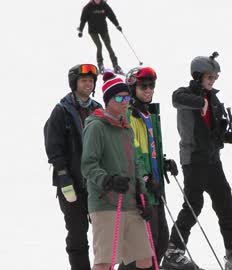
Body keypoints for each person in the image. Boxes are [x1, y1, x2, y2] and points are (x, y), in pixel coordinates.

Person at [162, 52, 232, 270]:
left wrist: (228, 137)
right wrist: (199, 101)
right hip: (193, 159)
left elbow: (215, 131)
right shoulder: (186, 94)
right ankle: (173, 249)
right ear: (197, 76)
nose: (212, 81)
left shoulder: (214, 99)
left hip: (213, 159)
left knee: (225, 203)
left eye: (214, 78)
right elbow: (176, 99)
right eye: (209, 77)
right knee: (194, 204)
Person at [81, 72, 154, 270]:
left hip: (130, 201)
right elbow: (88, 165)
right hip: (106, 202)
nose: (125, 102)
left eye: (127, 97)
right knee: (105, 262)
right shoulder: (96, 127)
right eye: (120, 98)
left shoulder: (126, 127)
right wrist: (108, 181)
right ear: (108, 101)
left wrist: (142, 196)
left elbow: (136, 165)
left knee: (145, 258)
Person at [117, 67, 179, 270]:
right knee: (143, 246)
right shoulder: (128, 116)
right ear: (132, 87)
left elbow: (149, 149)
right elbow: (131, 153)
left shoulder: (149, 114)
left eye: (152, 85)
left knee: (161, 240)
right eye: (143, 86)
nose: (149, 90)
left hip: (156, 188)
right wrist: (144, 177)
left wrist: (163, 162)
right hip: (140, 191)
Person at [45, 64, 101, 270]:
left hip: (96, 183)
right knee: (78, 234)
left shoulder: (98, 109)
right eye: (84, 80)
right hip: (72, 184)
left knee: (104, 233)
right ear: (74, 83)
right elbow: (54, 148)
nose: (89, 83)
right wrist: (64, 178)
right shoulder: (62, 111)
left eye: (91, 80)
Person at [77, 0, 124, 74]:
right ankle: (100, 64)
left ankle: (115, 65)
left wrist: (117, 25)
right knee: (99, 46)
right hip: (93, 31)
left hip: (103, 29)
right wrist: (80, 30)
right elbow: (83, 20)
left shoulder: (104, 5)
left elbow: (112, 16)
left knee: (108, 45)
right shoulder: (88, 7)